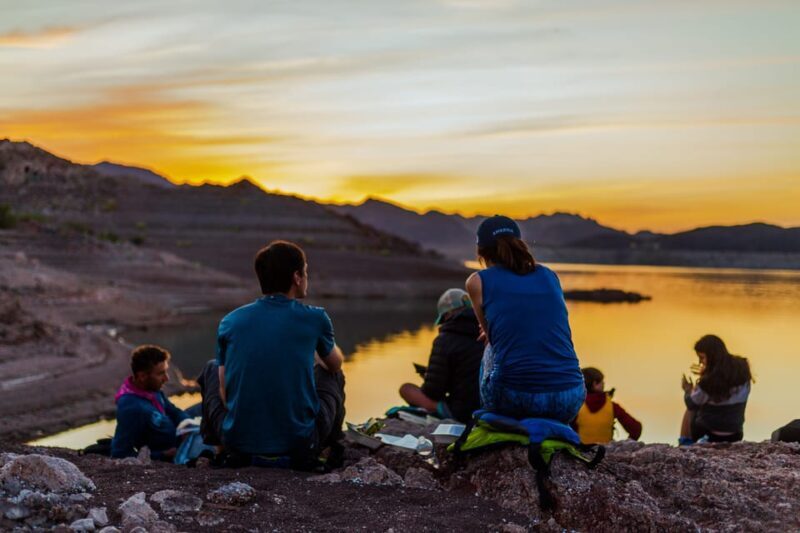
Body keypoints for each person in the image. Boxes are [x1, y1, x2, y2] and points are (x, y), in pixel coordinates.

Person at [206, 240, 346, 469]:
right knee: (332, 375)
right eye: (306, 272)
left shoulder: (230, 321)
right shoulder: (315, 317)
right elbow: (335, 364)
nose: (307, 278)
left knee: (213, 367)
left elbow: (224, 393)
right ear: (297, 277)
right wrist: (320, 353)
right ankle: (327, 449)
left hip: (238, 442)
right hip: (299, 443)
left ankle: (221, 452)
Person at [465, 215, 585, 423]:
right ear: (520, 244)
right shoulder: (549, 276)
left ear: (481, 252)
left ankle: (498, 421)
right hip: (570, 398)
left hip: (513, 399)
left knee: (491, 348)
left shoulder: (477, 282)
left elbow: (492, 338)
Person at [398, 288, 484, 422]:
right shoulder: (488, 331)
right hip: (490, 408)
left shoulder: (445, 339)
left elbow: (433, 392)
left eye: (443, 319)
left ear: (448, 315)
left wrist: (429, 378)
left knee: (406, 389)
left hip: (463, 412)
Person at [111, 345, 189, 459]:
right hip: (176, 454)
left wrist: (186, 425)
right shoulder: (131, 408)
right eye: (160, 373)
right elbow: (119, 453)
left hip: (183, 438)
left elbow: (173, 410)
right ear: (142, 376)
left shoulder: (152, 390)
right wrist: (162, 455)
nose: (166, 378)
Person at [679, 334, 752, 444]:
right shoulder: (742, 370)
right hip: (736, 434)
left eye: (702, 358)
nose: (700, 362)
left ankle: (685, 443)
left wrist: (688, 390)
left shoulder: (708, 382)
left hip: (709, 434)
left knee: (691, 407)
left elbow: (691, 403)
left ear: (711, 356)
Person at [573, 367, 642, 444]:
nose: (604, 384)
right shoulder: (612, 406)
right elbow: (636, 428)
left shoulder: (575, 405)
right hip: (604, 452)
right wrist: (626, 445)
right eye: (601, 381)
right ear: (595, 384)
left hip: (580, 452)